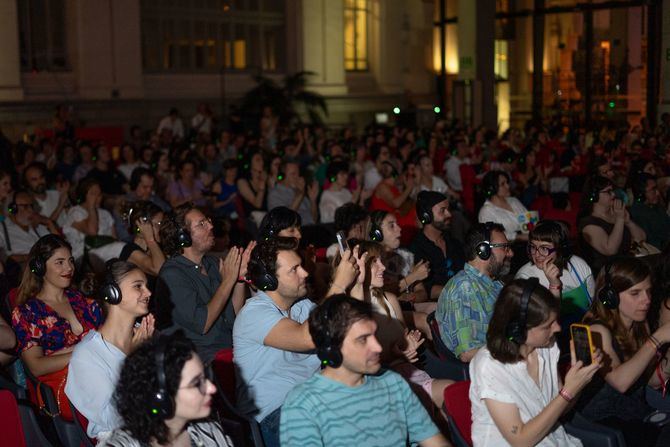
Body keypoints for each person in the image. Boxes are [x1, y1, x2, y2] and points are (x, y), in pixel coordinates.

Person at [234, 237, 358, 447]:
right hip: (274, 413)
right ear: (269, 280)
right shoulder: (253, 313)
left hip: (314, 400)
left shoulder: (302, 306)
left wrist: (357, 284)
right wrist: (338, 283)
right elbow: (308, 337)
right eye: (295, 269)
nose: (305, 273)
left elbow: (349, 332)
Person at [280, 295, 450, 447]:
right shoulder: (303, 404)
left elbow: (434, 441)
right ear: (332, 349)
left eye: (374, 335)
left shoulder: (394, 383)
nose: (377, 347)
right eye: (362, 340)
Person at [469, 278, 602, 446]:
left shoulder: (547, 346)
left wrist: (579, 380)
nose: (557, 328)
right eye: (547, 326)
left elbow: (561, 407)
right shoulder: (489, 366)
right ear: (517, 331)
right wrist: (568, 390)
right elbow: (520, 440)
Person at [577, 258, 670, 446]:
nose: (647, 300)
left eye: (649, 291)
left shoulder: (638, 324)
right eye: (635, 293)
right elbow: (621, 382)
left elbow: (649, 380)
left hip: (634, 411)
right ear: (609, 297)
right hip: (602, 419)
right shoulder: (597, 330)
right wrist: (658, 338)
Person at [11, 235, 102, 419]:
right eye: (59, 262)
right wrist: (84, 351)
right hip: (66, 392)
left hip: (98, 377)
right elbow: (36, 366)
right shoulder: (28, 312)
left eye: (70, 261)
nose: (69, 268)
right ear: (40, 267)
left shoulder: (80, 300)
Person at [66, 261, 155, 440]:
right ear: (112, 294)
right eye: (138, 286)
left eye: (146, 286)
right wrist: (132, 359)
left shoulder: (146, 333)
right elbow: (114, 419)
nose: (148, 293)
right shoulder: (87, 354)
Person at [99, 333, 234, 447]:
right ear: (160, 399)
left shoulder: (209, 431)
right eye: (196, 383)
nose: (212, 388)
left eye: (206, 377)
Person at [157, 203, 252, 363]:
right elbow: (203, 323)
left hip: (229, 346)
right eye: (202, 224)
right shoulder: (172, 274)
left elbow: (233, 315)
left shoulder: (213, 263)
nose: (211, 225)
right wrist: (228, 280)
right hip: (199, 355)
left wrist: (239, 279)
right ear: (183, 237)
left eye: (207, 221)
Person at [436, 222, 512, 361]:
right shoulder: (465, 289)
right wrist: (515, 351)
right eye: (504, 248)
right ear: (483, 250)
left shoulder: (494, 283)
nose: (510, 253)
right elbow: (467, 352)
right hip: (488, 372)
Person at [515, 220, 595, 321]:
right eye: (533, 247)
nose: (537, 254)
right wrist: (554, 285)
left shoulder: (578, 264)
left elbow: (593, 303)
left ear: (560, 249)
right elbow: (546, 322)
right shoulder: (525, 277)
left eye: (544, 248)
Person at [578, 176, 646, 274]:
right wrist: (620, 219)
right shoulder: (588, 223)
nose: (613, 194)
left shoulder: (617, 213)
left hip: (626, 267)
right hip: (607, 272)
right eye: (608, 192)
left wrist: (628, 222)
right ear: (595, 195)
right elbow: (610, 249)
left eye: (613, 190)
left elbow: (641, 238)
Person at [410, 191, 466, 300]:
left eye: (448, 209)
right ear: (426, 216)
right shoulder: (416, 248)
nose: (449, 214)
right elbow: (427, 290)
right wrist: (460, 291)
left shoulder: (454, 242)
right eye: (442, 211)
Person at [62, 178, 124, 265]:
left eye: (99, 194)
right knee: (121, 248)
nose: (97, 197)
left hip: (108, 253)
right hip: (83, 257)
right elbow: (92, 232)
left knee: (127, 246)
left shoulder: (105, 213)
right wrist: (91, 206)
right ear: (84, 195)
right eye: (93, 194)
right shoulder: (75, 212)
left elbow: (114, 237)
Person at [1, 190, 59, 263]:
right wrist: (31, 257)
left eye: (31, 206)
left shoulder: (37, 226)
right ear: (13, 208)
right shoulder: (2, 229)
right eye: (25, 206)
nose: (31, 210)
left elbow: (60, 247)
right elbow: (4, 259)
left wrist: (49, 223)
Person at [478, 170, 530, 242]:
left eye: (507, 183)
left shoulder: (514, 201)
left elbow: (528, 219)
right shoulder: (486, 211)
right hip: (508, 248)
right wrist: (519, 237)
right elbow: (493, 235)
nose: (508, 186)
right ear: (492, 188)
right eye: (503, 184)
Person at [119, 201, 166, 278]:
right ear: (141, 226)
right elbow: (160, 270)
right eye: (158, 224)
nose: (162, 228)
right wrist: (150, 239)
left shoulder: (156, 248)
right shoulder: (129, 251)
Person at [267, 160, 318, 225]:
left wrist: (313, 201)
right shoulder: (275, 194)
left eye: (298, 174)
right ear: (282, 176)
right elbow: (283, 221)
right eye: (293, 174)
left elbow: (314, 219)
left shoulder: (298, 190)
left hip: (310, 229)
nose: (297, 177)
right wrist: (300, 195)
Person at [629, 173, 670, 251]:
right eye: (653, 189)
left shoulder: (655, 206)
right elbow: (650, 243)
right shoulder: (638, 213)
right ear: (641, 193)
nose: (657, 193)